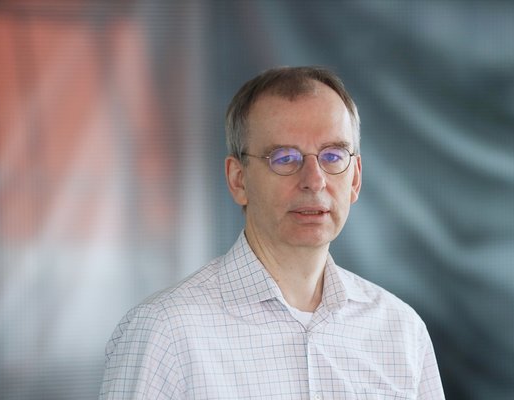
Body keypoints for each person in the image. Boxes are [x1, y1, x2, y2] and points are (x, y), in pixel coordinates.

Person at [99, 66, 445, 399]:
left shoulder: (401, 331)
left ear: (354, 178)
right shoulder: (165, 333)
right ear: (238, 180)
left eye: (332, 156)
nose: (314, 181)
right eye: (284, 158)